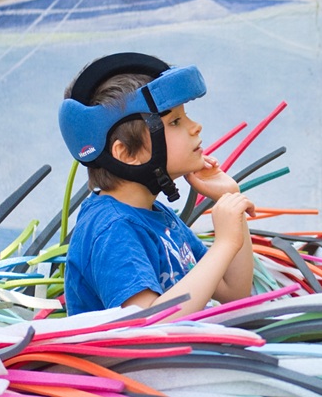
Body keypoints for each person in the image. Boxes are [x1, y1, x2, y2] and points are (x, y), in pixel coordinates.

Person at [57, 52, 255, 317]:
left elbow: (234, 293)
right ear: (127, 153)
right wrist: (224, 245)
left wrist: (229, 197)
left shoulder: (156, 216)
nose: (196, 127)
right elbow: (147, 324)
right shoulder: (112, 229)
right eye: (175, 121)